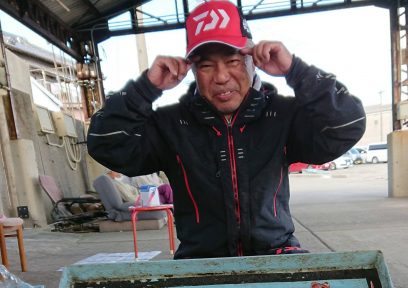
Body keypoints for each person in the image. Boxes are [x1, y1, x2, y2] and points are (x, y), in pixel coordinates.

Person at [87, 0, 366, 259]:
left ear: (252, 61)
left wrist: (296, 71)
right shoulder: (171, 124)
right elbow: (105, 145)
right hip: (199, 263)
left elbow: (346, 125)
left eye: (232, 61)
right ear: (193, 71)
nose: (221, 77)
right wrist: (144, 88)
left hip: (276, 256)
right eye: (206, 66)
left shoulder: (282, 115)